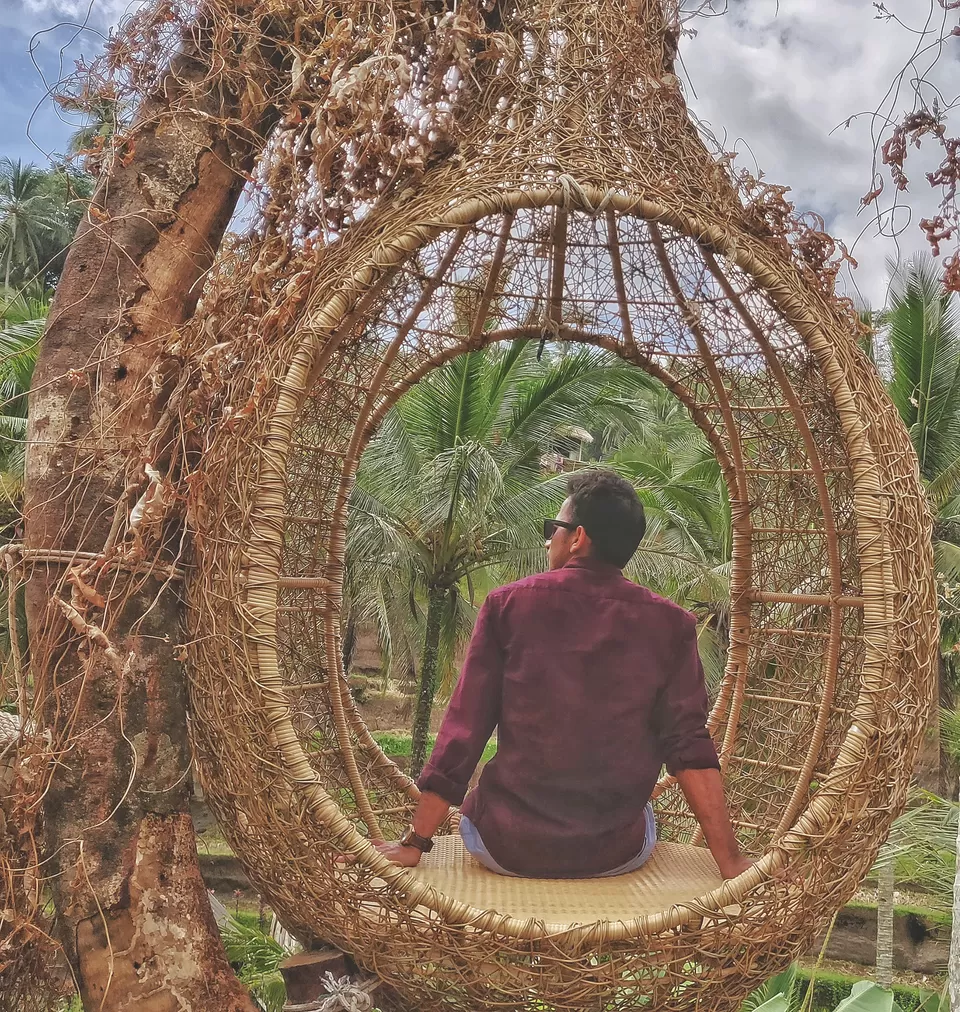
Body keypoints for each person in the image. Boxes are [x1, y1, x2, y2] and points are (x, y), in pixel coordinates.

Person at [374, 469, 751, 880]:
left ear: (578, 538)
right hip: (614, 855)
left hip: (502, 846)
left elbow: (465, 731)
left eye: (554, 527)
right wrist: (731, 862)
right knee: (642, 811)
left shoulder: (506, 606)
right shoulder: (672, 626)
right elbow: (689, 748)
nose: (547, 537)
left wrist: (415, 843)